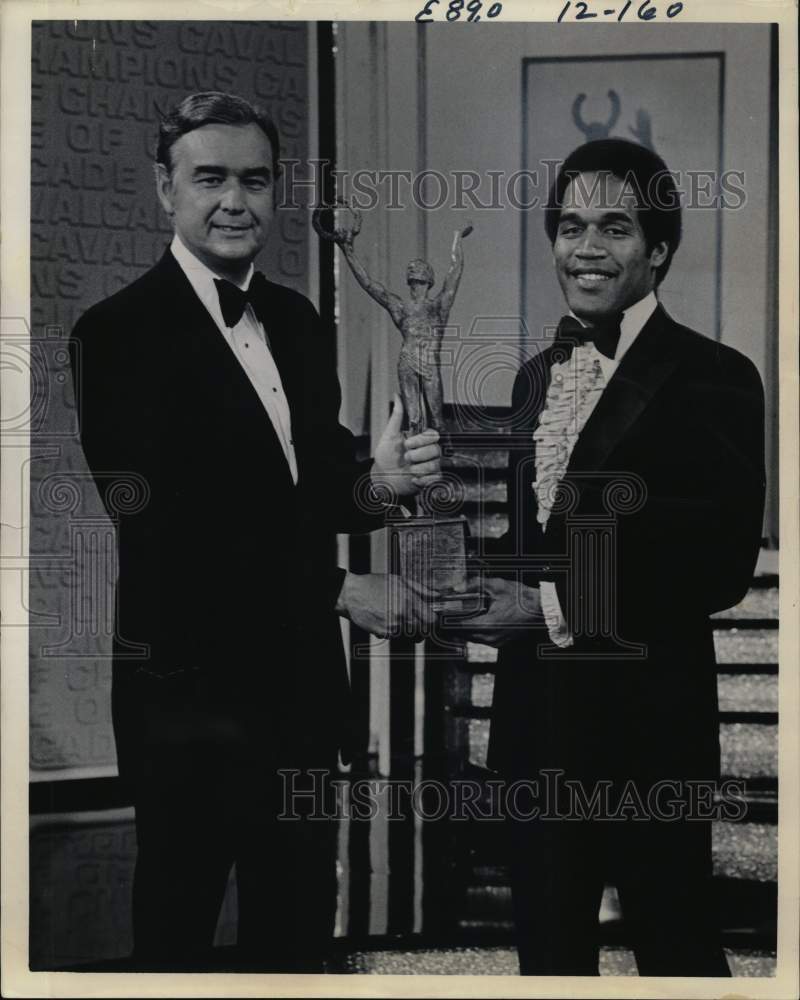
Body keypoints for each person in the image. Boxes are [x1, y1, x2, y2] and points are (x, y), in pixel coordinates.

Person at [68, 91, 441, 972]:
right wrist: (342, 590)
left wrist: (379, 483)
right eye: (210, 179)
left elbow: (310, 491)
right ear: (166, 190)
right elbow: (166, 527)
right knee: (177, 938)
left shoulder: (302, 323)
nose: (235, 200)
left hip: (301, 700)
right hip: (185, 707)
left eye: (255, 179)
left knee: (300, 938)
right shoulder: (113, 334)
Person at [461, 138, 766, 976]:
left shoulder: (719, 376)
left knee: (679, 958)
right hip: (539, 731)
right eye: (568, 226)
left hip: (649, 736)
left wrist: (551, 607)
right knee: (549, 967)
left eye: (615, 227)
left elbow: (718, 560)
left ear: (659, 249)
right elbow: (534, 549)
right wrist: (458, 562)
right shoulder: (534, 376)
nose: (586, 247)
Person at [315, 202, 472, 436]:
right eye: (411, 270)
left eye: (417, 270)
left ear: (428, 279)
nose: (413, 272)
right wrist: (348, 252)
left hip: (427, 362)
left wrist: (458, 238)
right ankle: (418, 462)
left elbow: (455, 270)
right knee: (415, 422)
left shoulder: (438, 306)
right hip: (408, 361)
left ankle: (438, 454)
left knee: (437, 421)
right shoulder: (400, 306)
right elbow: (368, 284)